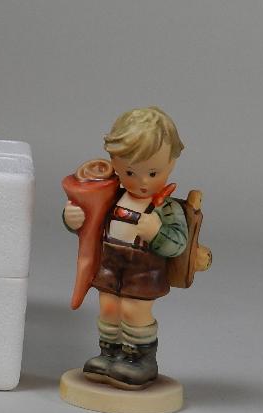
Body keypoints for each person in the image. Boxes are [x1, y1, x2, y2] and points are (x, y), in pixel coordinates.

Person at [63, 106, 188, 390]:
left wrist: (157, 233)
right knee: (108, 307)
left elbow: (178, 244)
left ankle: (140, 359)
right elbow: (92, 223)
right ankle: (109, 354)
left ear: (171, 163)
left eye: (153, 172)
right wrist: (74, 219)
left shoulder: (166, 208)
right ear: (114, 163)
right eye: (131, 172)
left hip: (143, 271)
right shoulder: (110, 196)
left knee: (133, 311)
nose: (142, 182)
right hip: (110, 264)